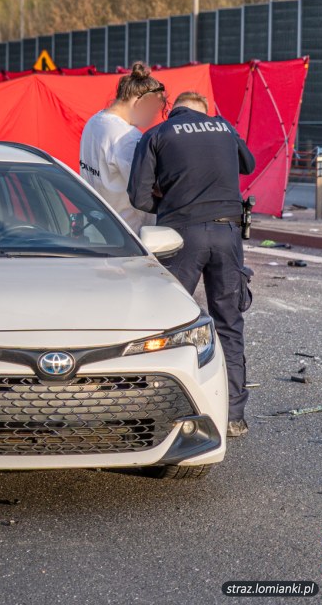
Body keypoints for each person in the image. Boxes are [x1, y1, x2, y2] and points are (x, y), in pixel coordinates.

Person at [127, 90, 257, 438]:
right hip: (228, 233)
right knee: (229, 323)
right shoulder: (224, 127)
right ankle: (233, 416)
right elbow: (249, 165)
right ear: (203, 112)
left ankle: (164, 411)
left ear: (172, 111)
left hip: (181, 235)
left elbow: (138, 196)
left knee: (169, 322)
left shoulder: (157, 134)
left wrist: (172, 203)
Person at [78, 62, 166, 233]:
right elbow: (148, 187)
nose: (152, 118)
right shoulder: (127, 137)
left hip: (97, 228)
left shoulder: (94, 122)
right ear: (140, 104)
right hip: (129, 232)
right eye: (153, 110)